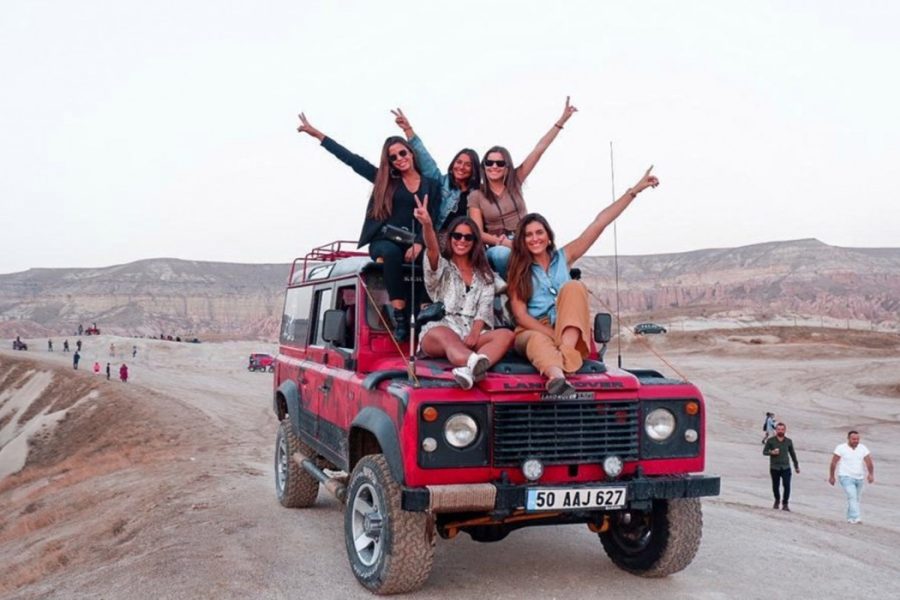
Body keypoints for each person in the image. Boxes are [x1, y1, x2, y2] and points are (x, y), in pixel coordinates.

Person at [506, 167, 659, 396]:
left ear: (548, 236)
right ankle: (557, 378)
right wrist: (551, 335)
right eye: (528, 235)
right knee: (538, 340)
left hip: (566, 329)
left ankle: (563, 361)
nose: (535, 238)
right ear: (522, 240)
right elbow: (521, 316)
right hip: (533, 328)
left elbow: (599, 223)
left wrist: (634, 191)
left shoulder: (564, 257)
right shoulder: (518, 270)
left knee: (574, 286)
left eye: (539, 232)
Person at [296, 112, 441, 341]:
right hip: (384, 240)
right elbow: (352, 160)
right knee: (392, 254)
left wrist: (421, 244)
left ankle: (426, 317)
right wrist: (318, 135)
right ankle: (400, 318)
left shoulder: (432, 185)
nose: (399, 158)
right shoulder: (386, 182)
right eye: (393, 157)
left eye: (403, 152)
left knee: (432, 260)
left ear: (411, 153)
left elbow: (433, 218)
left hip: (415, 241)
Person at [412, 195, 515, 389]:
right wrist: (427, 224)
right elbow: (432, 250)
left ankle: (470, 371)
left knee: (506, 335)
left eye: (468, 237)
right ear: (450, 238)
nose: (462, 240)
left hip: (471, 330)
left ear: (475, 241)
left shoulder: (485, 275)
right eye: (457, 236)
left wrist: (475, 334)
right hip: (442, 327)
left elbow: (484, 309)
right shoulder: (442, 267)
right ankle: (473, 363)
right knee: (448, 338)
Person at [468, 97, 578, 277]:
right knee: (504, 256)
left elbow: (539, 149)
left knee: (554, 257)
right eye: (489, 162)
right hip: (499, 244)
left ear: (507, 166)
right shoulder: (477, 195)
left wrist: (561, 121)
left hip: (526, 237)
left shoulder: (516, 181)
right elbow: (477, 232)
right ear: (483, 166)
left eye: (499, 163)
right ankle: (512, 293)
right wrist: (503, 242)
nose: (494, 166)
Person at [392, 108, 481, 233]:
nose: (461, 167)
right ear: (453, 164)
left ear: (474, 169)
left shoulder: (478, 193)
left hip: (467, 241)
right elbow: (425, 159)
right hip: (440, 236)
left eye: (467, 165)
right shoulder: (441, 183)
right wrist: (408, 129)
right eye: (459, 162)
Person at [829, 430, 875, 524]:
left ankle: (850, 517)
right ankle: (857, 517)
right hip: (845, 476)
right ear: (848, 439)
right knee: (852, 496)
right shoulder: (841, 448)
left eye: (857, 439)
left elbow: (869, 462)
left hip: (859, 477)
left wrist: (871, 474)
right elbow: (834, 462)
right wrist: (832, 476)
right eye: (854, 439)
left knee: (855, 498)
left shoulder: (863, 448)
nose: (856, 441)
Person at [763, 422, 800, 511]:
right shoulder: (771, 441)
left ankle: (785, 503)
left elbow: (792, 454)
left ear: (785, 430)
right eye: (778, 429)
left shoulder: (788, 441)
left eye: (782, 429)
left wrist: (796, 466)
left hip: (786, 467)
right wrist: (771, 452)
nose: (780, 431)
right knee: (776, 485)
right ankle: (777, 500)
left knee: (787, 485)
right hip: (774, 467)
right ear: (776, 430)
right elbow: (764, 452)